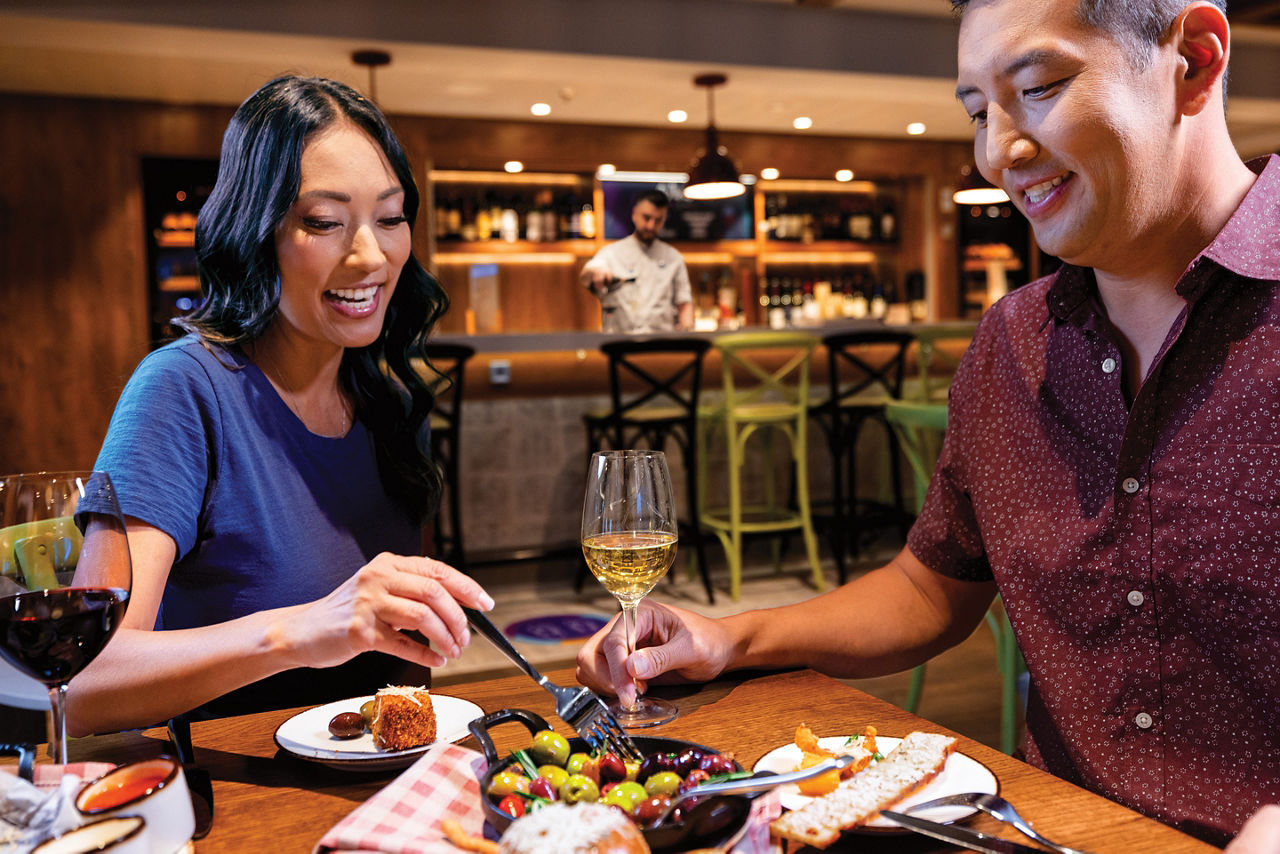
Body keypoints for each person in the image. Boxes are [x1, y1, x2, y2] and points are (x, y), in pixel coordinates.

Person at [577, 0, 1280, 847]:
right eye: (980, 113)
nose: (999, 153)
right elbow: (928, 589)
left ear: (1195, 62)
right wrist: (728, 637)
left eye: (1041, 87)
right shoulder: (1010, 346)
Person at [67, 75, 494, 734]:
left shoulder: (389, 401)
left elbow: (403, 669)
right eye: (324, 222)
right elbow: (84, 681)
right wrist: (300, 630)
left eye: (390, 217)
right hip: (229, 806)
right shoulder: (182, 390)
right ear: (256, 231)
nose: (371, 255)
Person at [580, 190, 694, 333]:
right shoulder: (611, 253)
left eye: (658, 220)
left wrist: (687, 331)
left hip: (662, 343)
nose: (651, 226)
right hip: (619, 342)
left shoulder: (674, 258)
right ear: (634, 214)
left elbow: (684, 303)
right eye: (646, 218)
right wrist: (597, 271)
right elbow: (586, 274)